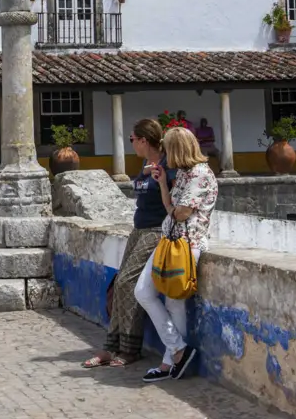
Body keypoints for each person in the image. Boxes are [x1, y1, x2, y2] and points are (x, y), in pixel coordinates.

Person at [83, 119, 173, 369]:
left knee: (127, 282)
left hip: (156, 231)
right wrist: (143, 175)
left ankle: (130, 348)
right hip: (139, 229)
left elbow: (169, 198)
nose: (131, 144)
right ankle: (111, 346)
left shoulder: (167, 165)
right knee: (119, 282)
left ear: (144, 140)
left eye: (132, 139)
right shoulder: (146, 164)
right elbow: (141, 189)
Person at [136, 126, 218, 382]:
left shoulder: (201, 175)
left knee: (174, 301)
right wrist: (162, 184)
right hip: (170, 241)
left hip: (186, 244)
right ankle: (179, 350)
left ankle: (170, 363)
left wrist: (172, 208)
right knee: (144, 292)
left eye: (167, 149)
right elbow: (170, 207)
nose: (164, 155)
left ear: (177, 149)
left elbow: (180, 213)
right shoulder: (182, 174)